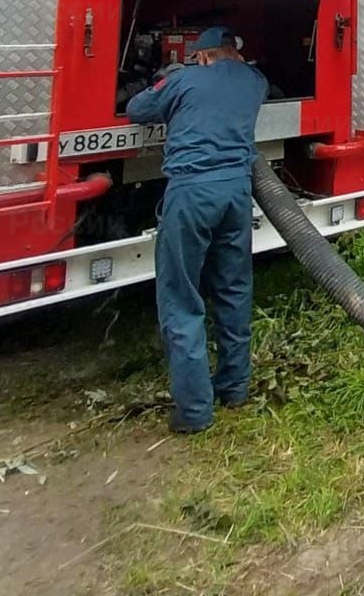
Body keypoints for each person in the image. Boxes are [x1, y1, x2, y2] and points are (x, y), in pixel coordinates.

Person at [126, 26, 268, 433]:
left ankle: (194, 412)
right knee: (234, 287)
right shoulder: (254, 81)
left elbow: (137, 109)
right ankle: (235, 388)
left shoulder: (183, 79)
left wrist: (162, 79)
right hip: (236, 194)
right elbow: (247, 80)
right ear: (232, 51)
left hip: (191, 193)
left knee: (181, 296)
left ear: (202, 55)